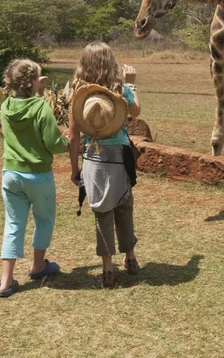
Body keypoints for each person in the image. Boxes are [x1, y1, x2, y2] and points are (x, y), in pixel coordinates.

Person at [68, 42, 141, 288]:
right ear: (111, 63)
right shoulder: (120, 88)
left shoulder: (79, 94)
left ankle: (108, 269)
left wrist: (74, 169)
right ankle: (131, 259)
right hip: (120, 156)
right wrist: (131, 83)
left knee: (101, 213)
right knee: (124, 206)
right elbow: (136, 111)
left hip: (93, 158)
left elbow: (73, 136)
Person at [0, 59, 68, 297]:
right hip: (38, 176)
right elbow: (53, 143)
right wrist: (68, 143)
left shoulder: (6, 105)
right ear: (34, 82)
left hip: (10, 174)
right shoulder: (41, 107)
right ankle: (38, 266)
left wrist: (37, 87)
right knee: (44, 220)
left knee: (14, 224)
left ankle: (6, 281)